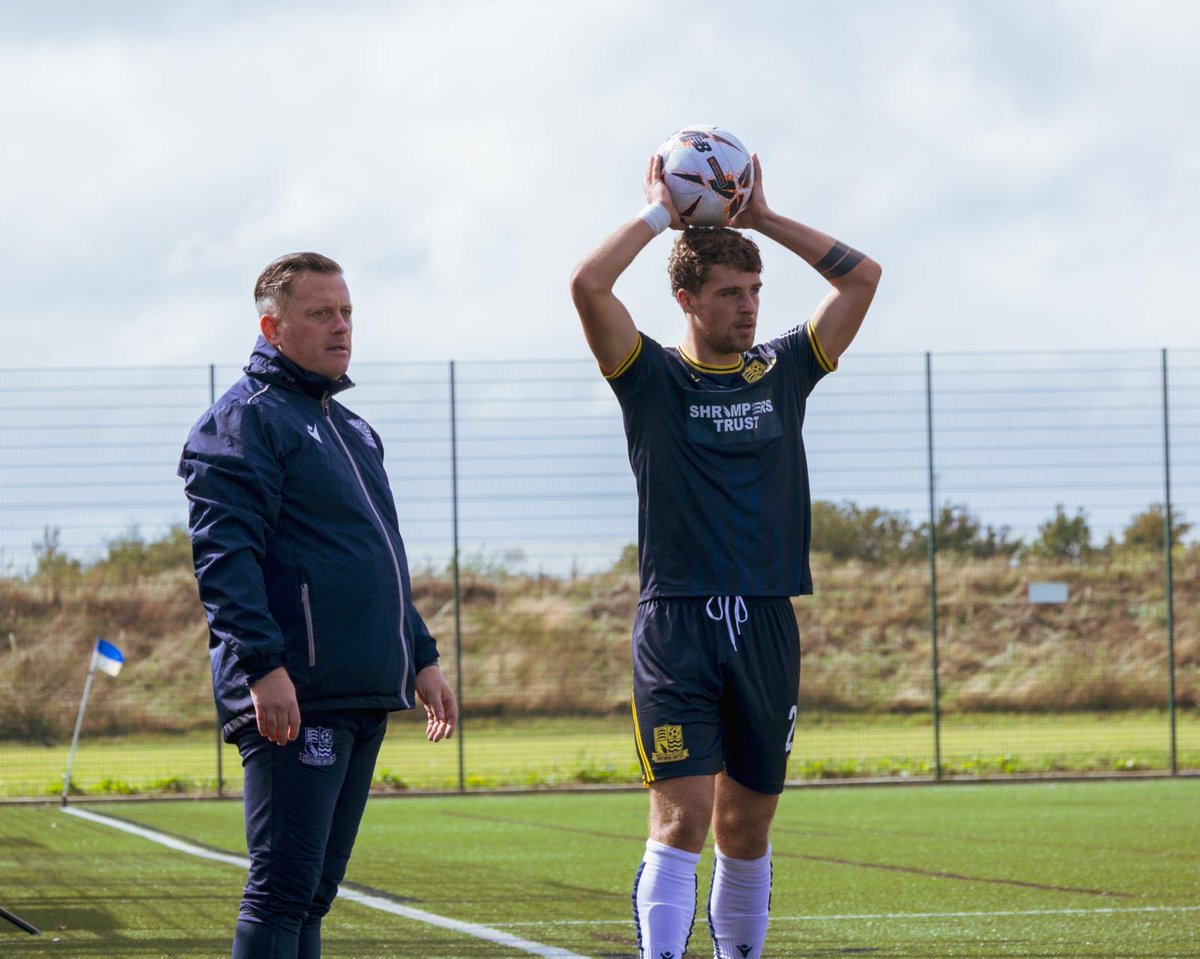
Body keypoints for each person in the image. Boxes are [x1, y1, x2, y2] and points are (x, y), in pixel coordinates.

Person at [570, 155, 880, 959]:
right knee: (683, 817)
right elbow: (588, 287)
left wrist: (762, 218)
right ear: (686, 300)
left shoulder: (782, 371)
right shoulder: (650, 378)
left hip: (769, 621)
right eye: (728, 295)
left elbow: (862, 280)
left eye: (754, 293)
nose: (746, 309)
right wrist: (656, 216)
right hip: (676, 626)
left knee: (747, 825)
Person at [178, 252, 458, 959]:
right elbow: (225, 560)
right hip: (296, 693)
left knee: (313, 894)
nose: (341, 327)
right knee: (280, 890)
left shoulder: (354, 429)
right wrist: (263, 667)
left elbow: (382, 562)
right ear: (273, 327)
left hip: (360, 688)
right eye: (320, 313)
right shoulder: (243, 421)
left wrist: (421, 656)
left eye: (346, 311)